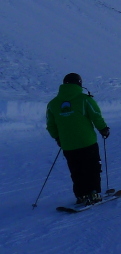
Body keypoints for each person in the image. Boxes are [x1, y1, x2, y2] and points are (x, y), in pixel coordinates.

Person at [45, 73, 109, 204]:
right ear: (79, 84)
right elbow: (96, 115)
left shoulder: (53, 104)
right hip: (87, 142)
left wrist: (58, 138)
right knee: (92, 168)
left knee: (76, 170)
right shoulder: (84, 99)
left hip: (68, 145)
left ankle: (81, 195)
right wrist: (103, 129)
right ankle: (94, 193)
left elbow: (50, 125)